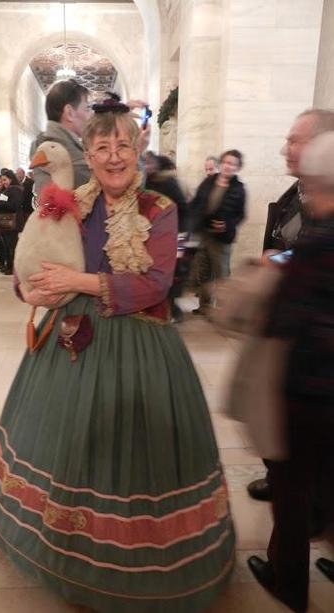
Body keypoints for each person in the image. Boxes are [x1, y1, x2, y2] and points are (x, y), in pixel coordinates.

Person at [0, 102, 235, 613]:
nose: (113, 156)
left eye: (122, 145)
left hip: (140, 347)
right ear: (88, 155)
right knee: (64, 446)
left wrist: (76, 281)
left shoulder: (159, 209)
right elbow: (34, 256)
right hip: (67, 340)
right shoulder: (68, 201)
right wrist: (26, 290)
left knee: (132, 459)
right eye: (102, 147)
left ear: (136, 149)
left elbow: (155, 284)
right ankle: (60, 552)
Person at [247, 131, 334, 613]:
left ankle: (289, 584)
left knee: (293, 491)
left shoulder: (318, 241)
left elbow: (284, 320)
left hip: (310, 390)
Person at [190, 149, 246, 314]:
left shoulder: (238, 188)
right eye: (226, 162)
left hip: (222, 238)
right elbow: (197, 202)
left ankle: (223, 310)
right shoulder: (208, 182)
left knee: (221, 274)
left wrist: (227, 226)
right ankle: (205, 306)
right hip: (204, 233)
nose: (228, 166)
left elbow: (240, 215)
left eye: (233, 164)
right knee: (203, 272)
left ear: (237, 167)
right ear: (221, 163)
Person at [144, 151, 190, 322]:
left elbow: (183, 208)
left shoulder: (168, 182)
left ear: (156, 165)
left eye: (149, 163)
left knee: (173, 270)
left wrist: (180, 233)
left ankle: (173, 309)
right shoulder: (146, 182)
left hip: (177, 233)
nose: (147, 166)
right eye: (145, 163)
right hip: (154, 234)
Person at [32, 79, 92, 194]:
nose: (89, 116)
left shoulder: (43, 141)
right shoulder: (59, 147)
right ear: (69, 112)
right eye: (86, 108)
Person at [0, 169, 23, 275]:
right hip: (6, 223)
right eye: (2, 180)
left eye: (5, 180)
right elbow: (3, 202)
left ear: (11, 178)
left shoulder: (15, 189)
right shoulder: (8, 190)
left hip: (12, 222)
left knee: (12, 246)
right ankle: (9, 266)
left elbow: (13, 206)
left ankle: (13, 268)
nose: (3, 182)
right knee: (7, 246)